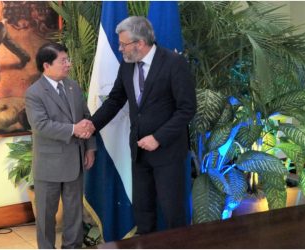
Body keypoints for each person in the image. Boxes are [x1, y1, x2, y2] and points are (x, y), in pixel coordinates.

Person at [88, 16, 197, 234]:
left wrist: (158, 138)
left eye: (123, 44)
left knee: (172, 211)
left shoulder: (174, 63)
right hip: (139, 151)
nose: (120, 48)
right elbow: (115, 100)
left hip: (168, 152)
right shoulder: (127, 67)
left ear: (140, 43)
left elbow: (187, 109)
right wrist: (92, 125)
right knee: (143, 211)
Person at [25, 42, 96, 248]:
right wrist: (74, 129)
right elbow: (41, 125)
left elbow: (86, 118)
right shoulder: (34, 93)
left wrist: (90, 147)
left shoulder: (73, 86)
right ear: (46, 66)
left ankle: (72, 246)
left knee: (74, 212)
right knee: (47, 215)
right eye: (63, 61)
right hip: (49, 166)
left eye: (68, 60)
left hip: (76, 160)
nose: (68, 64)